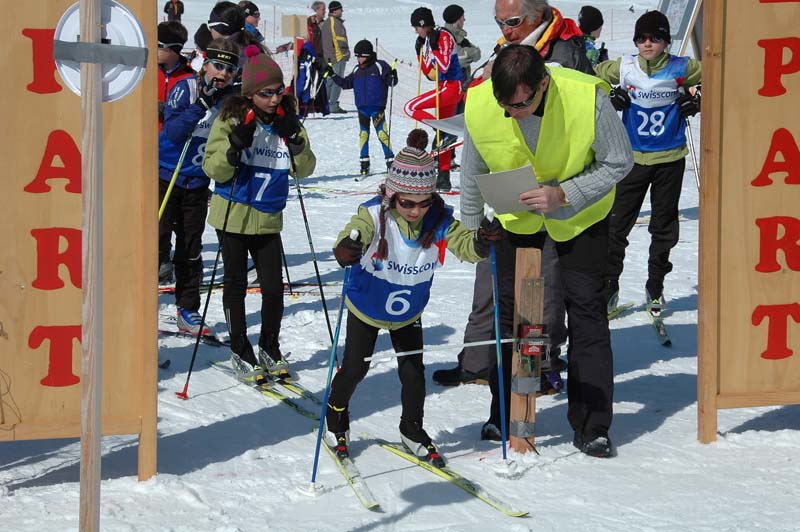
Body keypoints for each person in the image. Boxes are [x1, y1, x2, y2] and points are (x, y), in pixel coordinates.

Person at [461, 44, 634, 457]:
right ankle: (508, 412)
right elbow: (473, 166)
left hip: (580, 219)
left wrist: (566, 193)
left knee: (587, 315)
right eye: (505, 106)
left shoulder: (587, 96)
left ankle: (592, 424)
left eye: (521, 104)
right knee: (517, 320)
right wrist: (471, 227)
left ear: (543, 83)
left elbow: (619, 161)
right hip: (517, 220)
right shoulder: (482, 101)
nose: (513, 113)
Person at [434, 0, 590, 390]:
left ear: (537, 15)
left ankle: (540, 367)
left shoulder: (564, 50)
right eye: (499, 21)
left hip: (547, 193)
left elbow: (574, 120)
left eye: (513, 21)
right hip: (504, 185)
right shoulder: (506, 49)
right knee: (489, 280)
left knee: (540, 290)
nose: (505, 28)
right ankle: (477, 360)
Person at [325, 129, 503, 463]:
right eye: (407, 203)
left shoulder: (439, 220)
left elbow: (464, 245)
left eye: (424, 203)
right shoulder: (373, 214)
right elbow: (353, 232)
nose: (415, 211)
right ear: (392, 195)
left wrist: (482, 242)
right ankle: (335, 418)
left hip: (408, 311)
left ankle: (411, 428)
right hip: (367, 306)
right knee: (355, 368)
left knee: (412, 373)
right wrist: (345, 248)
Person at [202, 46, 317, 378]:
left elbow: (305, 168)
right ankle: (240, 348)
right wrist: (232, 148)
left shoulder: (287, 121)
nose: (274, 98)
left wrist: (296, 145)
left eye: (278, 91)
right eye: (266, 93)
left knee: (273, 287)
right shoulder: (230, 118)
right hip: (233, 214)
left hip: (267, 216)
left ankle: (270, 346)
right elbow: (213, 168)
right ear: (250, 93)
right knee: (236, 283)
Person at [594, 10, 701, 313]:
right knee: (616, 227)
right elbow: (589, 77)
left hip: (670, 158)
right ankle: (609, 288)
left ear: (665, 40)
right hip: (632, 160)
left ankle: (655, 286)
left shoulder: (682, 67)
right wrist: (610, 95)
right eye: (641, 38)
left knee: (664, 228)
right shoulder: (625, 67)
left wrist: (697, 99)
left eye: (655, 37)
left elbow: (720, 74)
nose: (648, 43)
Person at [159, 39, 239, 335]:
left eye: (229, 70)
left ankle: (187, 309)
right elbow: (173, 132)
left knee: (190, 247)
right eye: (218, 66)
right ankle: (138, 301)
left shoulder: (230, 99)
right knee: (156, 242)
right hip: (165, 176)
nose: (223, 74)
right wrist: (200, 106)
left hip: (197, 182)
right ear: (205, 65)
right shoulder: (187, 88)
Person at [404, 7, 463, 192]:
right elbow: (429, 72)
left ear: (423, 24)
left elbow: (443, 66)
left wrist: (435, 47)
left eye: (416, 27)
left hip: (451, 87)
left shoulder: (443, 36)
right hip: (443, 86)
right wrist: (419, 52)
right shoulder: (430, 39)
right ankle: (444, 178)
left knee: (410, 107)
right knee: (443, 135)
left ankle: (440, 128)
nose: (416, 31)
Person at [157, 21, 195, 285]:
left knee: (171, 212)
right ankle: (158, 256)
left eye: (158, 46)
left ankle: (167, 261)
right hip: (147, 147)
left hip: (173, 153)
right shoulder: (147, 71)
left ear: (172, 49)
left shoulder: (188, 78)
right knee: (155, 211)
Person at [326, 39, 397, 176]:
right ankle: (364, 164)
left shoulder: (379, 66)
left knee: (382, 135)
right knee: (363, 136)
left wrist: (394, 76)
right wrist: (333, 75)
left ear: (367, 55)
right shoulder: (357, 69)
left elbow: (391, 81)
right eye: (357, 56)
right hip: (362, 109)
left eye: (360, 56)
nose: (358, 59)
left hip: (377, 108)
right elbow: (346, 83)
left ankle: (391, 164)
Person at [320, 1, 350, 113]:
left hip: (330, 56)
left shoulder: (329, 22)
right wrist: (346, 53)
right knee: (337, 80)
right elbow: (340, 41)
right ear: (335, 10)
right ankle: (333, 105)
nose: (342, 11)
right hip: (337, 56)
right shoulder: (334, 22)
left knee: (331, 80)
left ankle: (326, 104)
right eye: (340, 9)